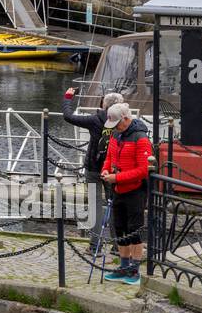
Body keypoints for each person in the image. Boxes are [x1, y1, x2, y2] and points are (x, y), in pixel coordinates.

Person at [100, 102, 152, 284]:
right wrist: (106, 170)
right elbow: (109, 157)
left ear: (125, 119)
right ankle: (123, 266)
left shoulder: (141, 138)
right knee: (119, 228)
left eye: (116, 124)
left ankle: (134, 270)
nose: (114, 128)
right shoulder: (115, 134)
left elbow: (144, 170)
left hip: (135, 191)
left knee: (134, 231)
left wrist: (118, 178)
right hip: (117, 189)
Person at [61, 88, 123, 175]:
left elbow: (68, 117)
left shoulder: (94, 120)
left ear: (104, 105)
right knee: (111, 188)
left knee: (92, 188)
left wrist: (68, 98)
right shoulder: (124, 122)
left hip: (93, 167)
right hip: (114, 168)